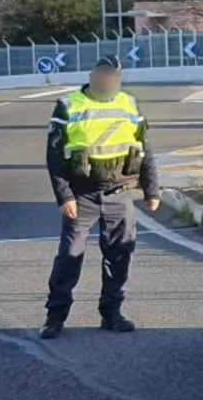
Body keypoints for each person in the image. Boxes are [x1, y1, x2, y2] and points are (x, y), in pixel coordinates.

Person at [40, 56, 161, 340]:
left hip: (119, 193)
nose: (108, 81)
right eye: (103, 75)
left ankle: (112, 313)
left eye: (113, 77)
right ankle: (55, 317)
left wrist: (152, 190)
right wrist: (64, 196)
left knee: (120, 256)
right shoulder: (69, 105)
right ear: (92, 76)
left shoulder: (129, 104)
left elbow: (144, 149)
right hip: (81, 196)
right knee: (70, 257)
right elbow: (54, 156)